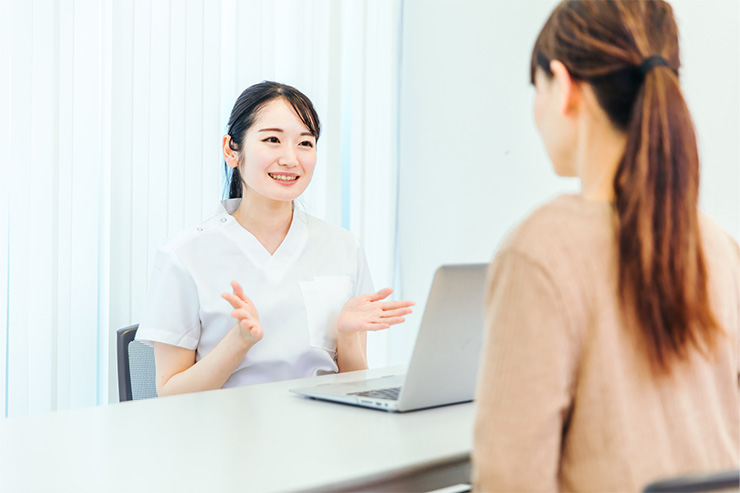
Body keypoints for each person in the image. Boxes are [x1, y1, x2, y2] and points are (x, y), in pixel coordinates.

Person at [472, 1, 739, 491]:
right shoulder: (720, 247)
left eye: (537, 89)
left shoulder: (541, 251)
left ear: (563, 85)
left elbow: (509, 480)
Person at [136, 81, 414, 396]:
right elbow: (170, 393)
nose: (290, 159)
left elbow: (357, 389)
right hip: (227, 437)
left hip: (322, 434)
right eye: (272, 139)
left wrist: (346, 335)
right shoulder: (184, 255)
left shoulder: (343, 247)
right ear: (231, 150)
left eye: (305, 143)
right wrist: (239, 341)